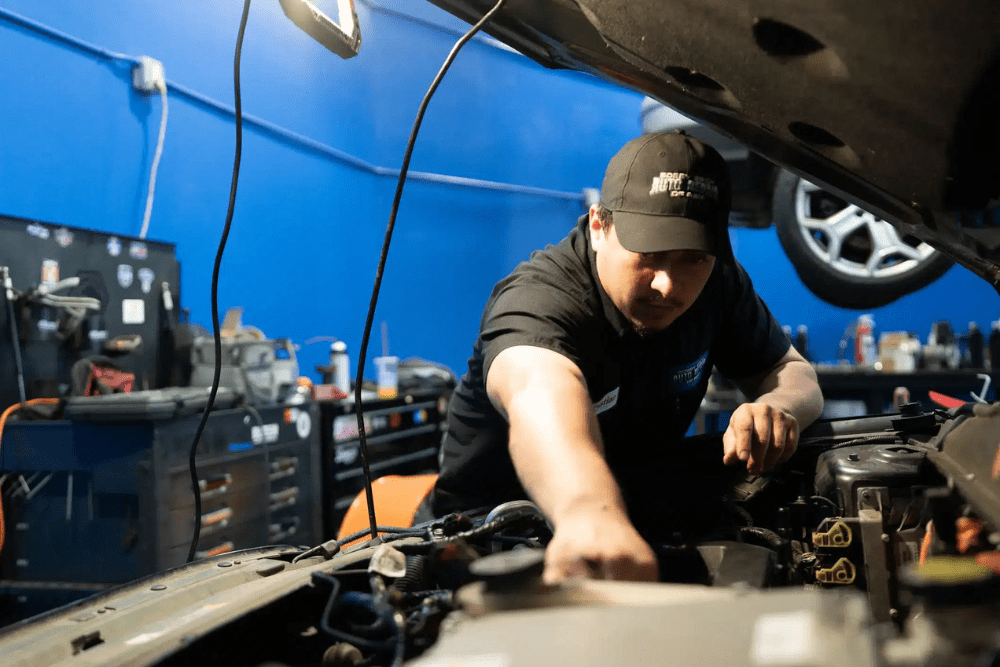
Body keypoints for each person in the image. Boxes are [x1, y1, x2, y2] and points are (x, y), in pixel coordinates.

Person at [423, 131, 824, 584]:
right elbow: (540, 392)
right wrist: (586, 512)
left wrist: (777, 408)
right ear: (599, 225)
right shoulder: (541, 298)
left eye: (693, 259)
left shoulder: (718, 285)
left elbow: (790, 372)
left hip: (635, 526)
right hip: (489, 549)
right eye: (649, 255)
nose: (667, 285)